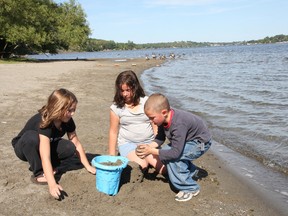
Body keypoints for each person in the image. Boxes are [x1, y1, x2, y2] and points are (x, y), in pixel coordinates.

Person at [11, 88, 96, 199]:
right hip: (24, 146)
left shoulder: (67, 119)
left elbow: (77, 144)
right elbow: (45, 155)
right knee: (31, 138)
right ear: (58, 108)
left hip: (45, 143)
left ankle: (50, 167)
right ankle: (39, 172)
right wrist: (52, 184)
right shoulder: (45, 121)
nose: (72, 113)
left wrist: (88, 166)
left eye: (74, 110)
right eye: (70, 110)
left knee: (69, 147)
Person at [136, 93, 212, 202]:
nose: (151, 121)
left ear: (164, 112)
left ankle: (190, 188)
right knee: (166, 152)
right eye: (149, 118)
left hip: (201, 143)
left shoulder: (178, 124)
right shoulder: (162, 118)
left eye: (152, 118)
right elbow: (160, 138)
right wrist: (148, 147)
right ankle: (193, 172)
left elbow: (175, 153)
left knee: (172, 156)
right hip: (188, 139)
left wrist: (152, 151)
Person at [108, 70, 165, 174]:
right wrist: (112, 157)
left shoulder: (146, 102)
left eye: (128, 90)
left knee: (163, 169)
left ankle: (150, 160)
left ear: (135, 87)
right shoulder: (116, 108)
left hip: (149, 143)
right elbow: (113, 132)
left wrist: (155, 145)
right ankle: (142, 160)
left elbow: (155, 125)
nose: (124, 94)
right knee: (142, 165)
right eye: (122, 91)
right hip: (128, 144)